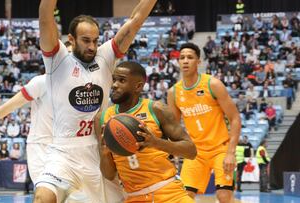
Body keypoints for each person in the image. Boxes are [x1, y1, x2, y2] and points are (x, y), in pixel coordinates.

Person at [36, 0, 158, 202]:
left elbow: (136, 21)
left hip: (101, 149)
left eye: (95, 40)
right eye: (85, 40)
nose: (92, 46)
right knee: (43, 197)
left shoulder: (105, 56)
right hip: (63, 153)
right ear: (71, 39)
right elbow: (45, 16)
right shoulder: (57, 59)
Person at [0, 74, 88, 201]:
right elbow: (7, 107)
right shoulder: (41, 82)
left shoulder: (84, 85)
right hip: (42, 147)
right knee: (45, 196)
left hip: (69, 148)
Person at [95, 61, 196, 203]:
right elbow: (109, 174)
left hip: (169, 193)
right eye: (114, 79)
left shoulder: (156, 109)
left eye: (122, 80)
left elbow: (191, 151)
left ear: (138, 86)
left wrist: (155, 142)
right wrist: (105, 152)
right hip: (134, 197)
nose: (114, 85)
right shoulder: (102, 119)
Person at [167, 43, 241, 203]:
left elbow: (235, 118)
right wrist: (171, 150)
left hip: (220, 150)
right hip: (195, 152)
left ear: (198, 62)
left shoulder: (212, 84)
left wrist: (230, 152)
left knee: (224, 196)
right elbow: (172, 127)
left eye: (190, 57)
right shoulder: (173, 92)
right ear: (178, 62)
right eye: (182, 58)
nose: (185, 61)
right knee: (184, 198)